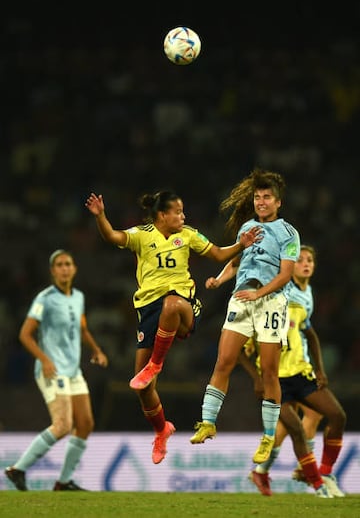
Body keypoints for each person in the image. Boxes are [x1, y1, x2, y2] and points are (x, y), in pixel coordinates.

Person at [85, 190, 262, 465]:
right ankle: (161, 429)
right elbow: (112, 236)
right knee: (142, 389)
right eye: (178, 212)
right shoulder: (142, 235)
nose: (183, 216)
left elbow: (216, 254)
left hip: (184, 306)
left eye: (183, 211)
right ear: (162, 215)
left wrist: (241, 244)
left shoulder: (188, 234)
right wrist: (101, 216)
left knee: (171, 304)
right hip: (149, 311)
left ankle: (156, 364)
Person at [190, 169, 301, 465]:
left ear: (278, 203)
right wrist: (219, 279)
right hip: (242, 299)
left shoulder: (288, 233)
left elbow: (286, 274)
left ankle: (267, 437)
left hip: (271, 303)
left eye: (267, 197)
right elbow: (239, 261)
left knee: (268, 372)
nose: (261, 202)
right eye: (257, 197)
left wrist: (260, 292)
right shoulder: (247, 228)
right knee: (224, 360)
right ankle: (208, 422)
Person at [243, 245, 346, 497]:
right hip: (275, 376)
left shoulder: (306, 294)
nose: (305, 263)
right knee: (301, 422)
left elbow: (306, 332)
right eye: (299, 260)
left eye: (310, 259)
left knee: (310, 420)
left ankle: (278, 469)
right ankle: (312, 474)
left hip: (300, 370)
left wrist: (317, 368)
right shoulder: (280, 290)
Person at [4, 249, 108, 491]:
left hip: (72, 370)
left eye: (68, 264)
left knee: (85, 423)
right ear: (53, 271)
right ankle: (16, 469)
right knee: (62, 425)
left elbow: (81, 328)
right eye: (59, 264)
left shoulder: (78, 297)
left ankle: (63, 482)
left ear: (74, 269)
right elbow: (24, 335)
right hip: (52, 370)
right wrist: (44, 359)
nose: (64, 268)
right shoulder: (45, 298)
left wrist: (96, 350)